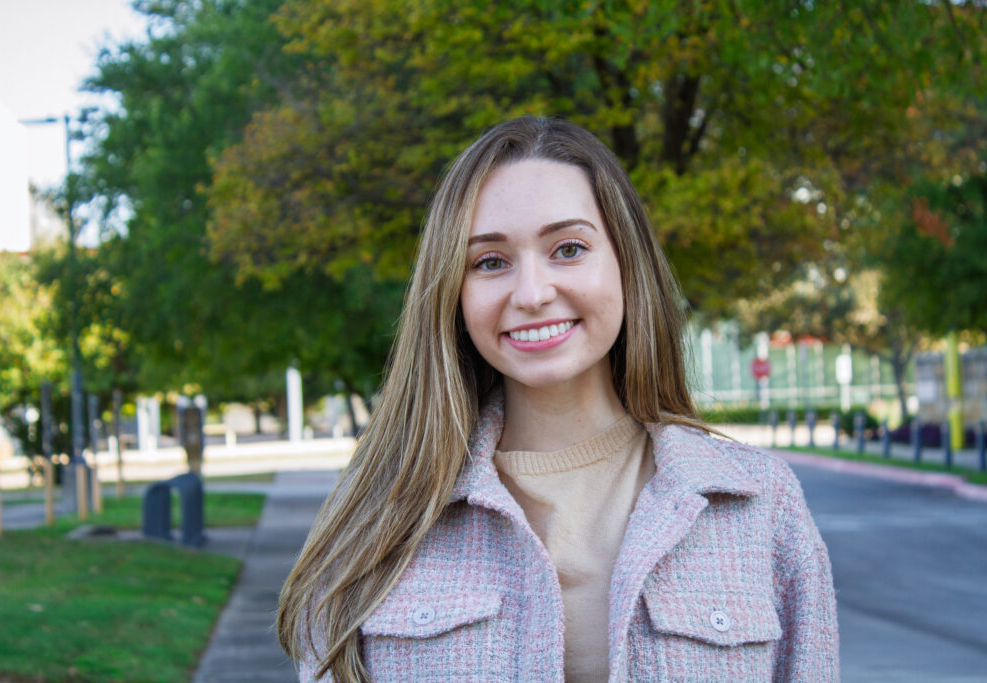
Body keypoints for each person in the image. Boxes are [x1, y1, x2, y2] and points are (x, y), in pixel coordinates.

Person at [278, 116, 839, 682]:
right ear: (453, 292)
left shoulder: (761, 504)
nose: (532, 294)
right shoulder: (378, 510)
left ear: (626, 263)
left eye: (568, 249)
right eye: (490, 262)